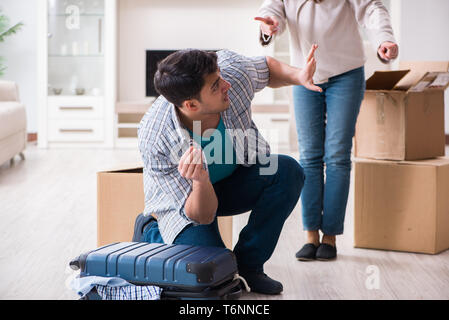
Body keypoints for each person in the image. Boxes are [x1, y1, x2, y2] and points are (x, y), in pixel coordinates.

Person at [137, 48, 321, 295]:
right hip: (190, 202)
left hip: (234, 179)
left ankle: (249, 266)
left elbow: (266, 68)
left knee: (287, 171)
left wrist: (298, 75)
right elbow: (201, 215)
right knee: (211, 275)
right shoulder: (156, 137)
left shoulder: (232, 75)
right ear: (191, 105)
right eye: (215, 86)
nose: (226, 85)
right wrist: (201, 180)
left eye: (220, 76)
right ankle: (151, 232)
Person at [255, 0, 398, 261]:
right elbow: (272, 9)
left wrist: (384, 39)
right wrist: (268, 24)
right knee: (309, 155)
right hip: (303, 73)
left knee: (337, 154)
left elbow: (372, 9)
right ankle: (311, 236)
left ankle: (330, 237)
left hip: (346, 72)